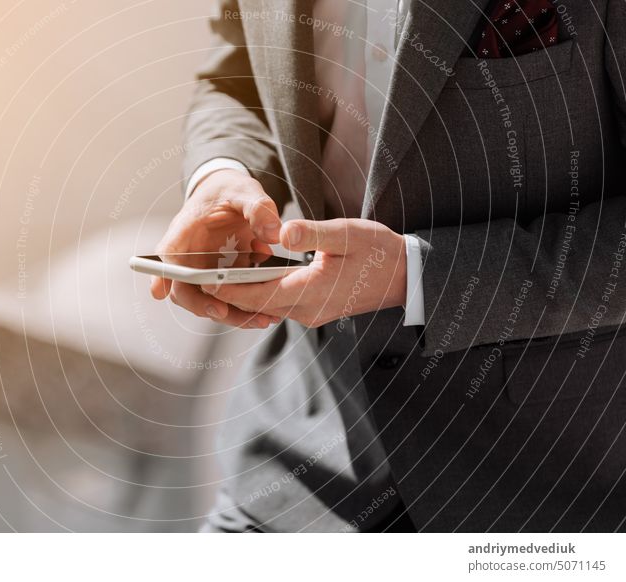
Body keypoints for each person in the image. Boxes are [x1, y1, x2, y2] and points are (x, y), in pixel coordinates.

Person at [151, 0, 626, 532]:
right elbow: (238, 72)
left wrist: (414, 274)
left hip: (553, 478)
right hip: (304, 441)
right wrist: (222, 173)